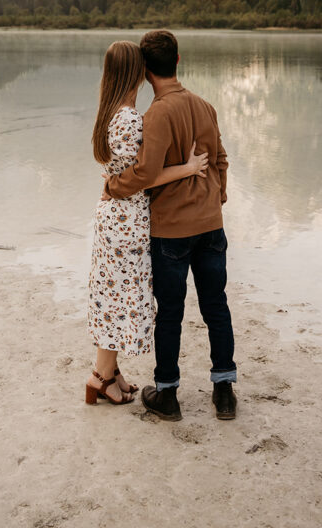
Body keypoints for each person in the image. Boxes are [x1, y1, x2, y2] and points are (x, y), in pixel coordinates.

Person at [103, 29, 236, 422]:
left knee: (170, 315)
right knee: (216, 307)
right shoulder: (205, 106)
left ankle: (167, 394)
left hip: (171, 232)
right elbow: (222, 160)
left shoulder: (156, 114)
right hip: (211, 226)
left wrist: (113, 185)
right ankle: (224, 391)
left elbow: (145, 172)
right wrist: (217, 197)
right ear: (178, 61)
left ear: (145, 71)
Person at [86, 40, 209, 406]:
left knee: (114, 296)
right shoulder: (129, 119)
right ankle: (99, 378)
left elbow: (124, 172)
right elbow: (144, 175)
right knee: (119, 298)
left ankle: (110, 373)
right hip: (127, 219)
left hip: (115, 215)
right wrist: (187, 168)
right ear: (136, 72)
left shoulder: (110, 112)